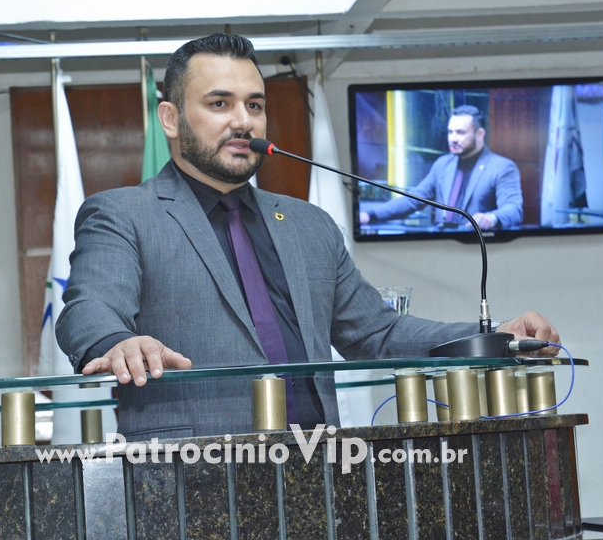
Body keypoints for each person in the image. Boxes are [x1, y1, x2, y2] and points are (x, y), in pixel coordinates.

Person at [56, 34, 558, 440]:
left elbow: (377, 333)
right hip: (188, 476)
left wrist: (494, 339)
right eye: (219, 103)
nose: (242, 121)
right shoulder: (123, 214)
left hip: (320, 469)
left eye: (254, 104)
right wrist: (116, 340)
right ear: (171, 118)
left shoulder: (308, 225)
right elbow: (88, 308)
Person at [359, 105, 523, 230]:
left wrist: (492, 218)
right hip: (442, 245)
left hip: (478, 248)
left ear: (480, 134)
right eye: (450, 132)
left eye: (460, 132)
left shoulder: (502, 167)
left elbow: (514, 209)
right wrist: (370, 215)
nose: (453, 138)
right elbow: (414, 199)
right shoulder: (443, 164)